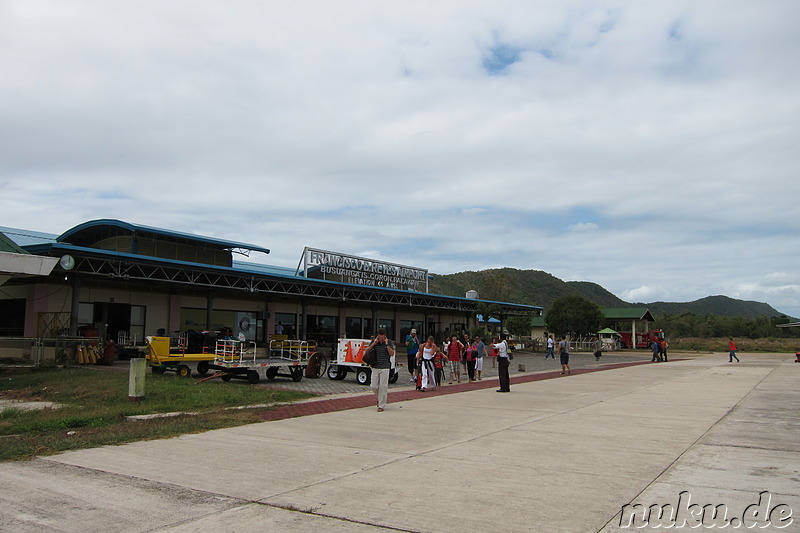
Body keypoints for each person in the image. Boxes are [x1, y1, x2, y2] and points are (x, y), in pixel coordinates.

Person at [365, 329, 394, 412]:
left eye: (382, 337)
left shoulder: (389, 342)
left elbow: (392, 353)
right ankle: (379, 398)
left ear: (385, 336)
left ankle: (381, 405)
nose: (380, 339)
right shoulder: (374, 342)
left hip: (385, 367)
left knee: (383, 387)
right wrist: (374, 343)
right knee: (373, 386)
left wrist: (387, 344)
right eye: (379, 337)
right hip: (375, 366)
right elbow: (367, 351)